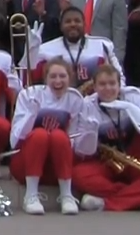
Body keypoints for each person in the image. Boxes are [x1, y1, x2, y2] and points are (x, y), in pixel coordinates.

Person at [74, 65, 140, 212]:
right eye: (102, 84)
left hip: (134, 156)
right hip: (104, 161)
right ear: (94, 86)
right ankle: (136, 197)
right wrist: (91, 130)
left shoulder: (135, 96)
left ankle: (105, 203)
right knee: (78, 175)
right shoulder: (87, 105)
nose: (108, 88)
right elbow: (82, 151)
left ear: (119, 85)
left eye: (112, 83)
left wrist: (129, 107)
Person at [8, 58, 96, 214]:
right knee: (40, 135)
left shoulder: (75, 99)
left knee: (59, 136)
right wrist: (31, 114)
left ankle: (66, 195)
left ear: (70, 78)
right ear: (45, 78)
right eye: (53, 76)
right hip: (27, 164)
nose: (58, 81)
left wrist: (90, 131)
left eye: (62, 76)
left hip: (57, 167)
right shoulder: (29, 94)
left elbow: (77, 146)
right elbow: (14, 141)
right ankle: (31, 195)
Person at [30, 6, 123, 86]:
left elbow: (119, 76)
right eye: (68, 21)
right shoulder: (45, 48)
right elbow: (28, 76)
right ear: (61, 26)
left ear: (84, 25)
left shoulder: (103, 45)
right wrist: (31, 49)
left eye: (77, 21)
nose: (73, 24)